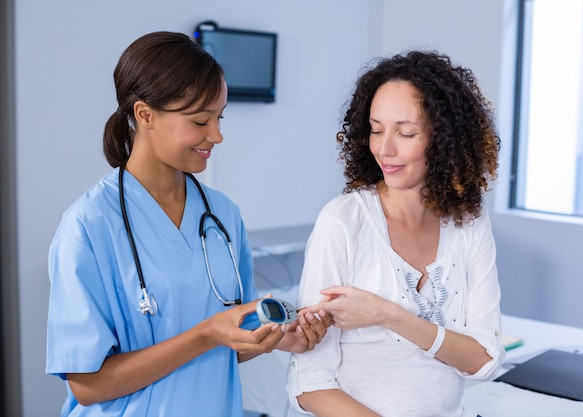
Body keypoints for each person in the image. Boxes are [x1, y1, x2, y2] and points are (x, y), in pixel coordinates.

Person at [45, 31, 330, 417]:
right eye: (200, 120)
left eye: (219, 117)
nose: (217, 135)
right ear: (144, 115)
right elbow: (87, 384)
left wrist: (275, 338)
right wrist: (205, 334)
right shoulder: (89, 226)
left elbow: (234, 343)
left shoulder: (224, 216)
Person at [285, 50, 504, 417]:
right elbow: (310, 384)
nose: (384, 149)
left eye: (406, 133)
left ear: (445, 138)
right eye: (376, 130)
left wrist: (389, 315)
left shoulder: (469, 223)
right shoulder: (344, 221)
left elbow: (484, 361)